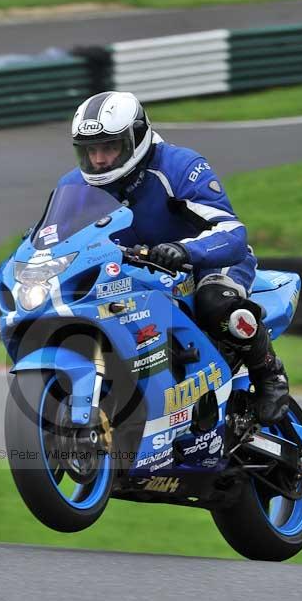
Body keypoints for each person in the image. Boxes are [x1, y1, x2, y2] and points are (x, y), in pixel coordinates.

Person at [57, 90, 289, 424]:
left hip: (205, 262)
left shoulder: (180, 166)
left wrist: (186, 250)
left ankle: (269, 374)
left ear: (135, 139)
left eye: (109, 147)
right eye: (90, 150)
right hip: (134, 274)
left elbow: (232, 232)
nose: (99, 160)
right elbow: (53, 239)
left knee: (216, 303)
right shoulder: (74, 186)